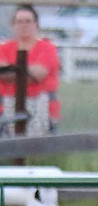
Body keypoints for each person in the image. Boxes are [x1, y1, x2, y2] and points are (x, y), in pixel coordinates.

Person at [0, 5, 60, 136]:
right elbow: (2, 72)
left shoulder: (47, 48)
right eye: (19, 21)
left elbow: (39, 74)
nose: (24, 25)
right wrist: (25, 72)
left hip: (42, 109)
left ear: (36, 24)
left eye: (28, 21)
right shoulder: (4, 49)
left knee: (38, 152)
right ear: (13, 25)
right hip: (5, 109)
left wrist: (11, 70)